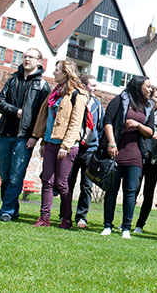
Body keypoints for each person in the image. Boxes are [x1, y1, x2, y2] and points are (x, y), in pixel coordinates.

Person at [0, 48, 50, 222]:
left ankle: (7, 210)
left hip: (24, 136)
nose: (26, 59)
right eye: (24, 56)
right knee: (4, 175)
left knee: (16, 175)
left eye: (31, 57)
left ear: (39, 62)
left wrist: (36, 136)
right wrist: (16, 111)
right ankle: (12, 208)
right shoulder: (13, 79)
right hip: (5, 132)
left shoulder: (42, 85)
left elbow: (43, 115)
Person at [31, 60, 88, 228]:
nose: (53, 72)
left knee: (61, 184)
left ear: (66, 73)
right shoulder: (55, 93)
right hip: (50, 142)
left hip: (67, 145)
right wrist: (43, 141)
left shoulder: (79, 95)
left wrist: (66, 145)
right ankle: (44, 218)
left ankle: (67, 218)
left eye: (57, 70)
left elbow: (75, 123)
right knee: (47, 180)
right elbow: (48, 120)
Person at [101, 76, 155, 239]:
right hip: (116, 151)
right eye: (148, 86)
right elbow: (108, 120)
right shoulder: (120, 100)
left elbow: (151, 131)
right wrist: (111, 143)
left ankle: (126, 228)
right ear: (138, 87)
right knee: (111, 190)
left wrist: (138, 125)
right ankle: (107, 225)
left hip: (135, 154)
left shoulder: (148, 106)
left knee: (130, 191)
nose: (150, 90)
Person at [133, 87, 157, 234]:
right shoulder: (142, 113)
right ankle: (127, 220)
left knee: (148, 193)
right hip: (140, 155)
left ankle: (139, 225)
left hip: (155, 159)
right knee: (133, 189)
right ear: (150, 99)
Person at [68, 74, 104, 229]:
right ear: (83, 85)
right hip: (74, 146)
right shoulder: (74, 101)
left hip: (90, 149)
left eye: (96, 85)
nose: (95, 88)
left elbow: (100, 128)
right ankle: (65, 214)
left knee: (86, 185)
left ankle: (81, 217)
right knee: (68, 182)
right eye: (93, 85)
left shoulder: (98, 106)